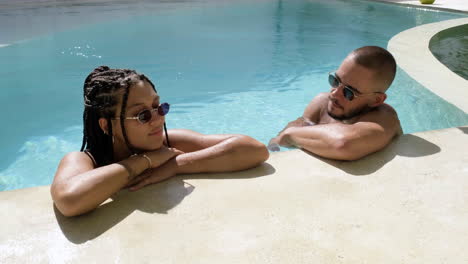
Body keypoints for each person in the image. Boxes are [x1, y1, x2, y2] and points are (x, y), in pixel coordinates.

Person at [51, 66, 269, 217]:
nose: (159, 118)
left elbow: (255, 149)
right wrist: (145, 161)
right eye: (143, 115)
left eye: (159, 106)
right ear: (107, 126)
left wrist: (175, 165)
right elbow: (69, 200)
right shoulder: (85, 159)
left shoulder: (168, 142)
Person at [268, 46, 402, 160]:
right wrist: (276, 144)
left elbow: (343, 144)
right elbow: (279, 140)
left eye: (349, 92)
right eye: (335, 81)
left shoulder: (385, 119)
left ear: (376, 100)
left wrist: (290, 135)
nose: (334, 94)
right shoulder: (322, 103)